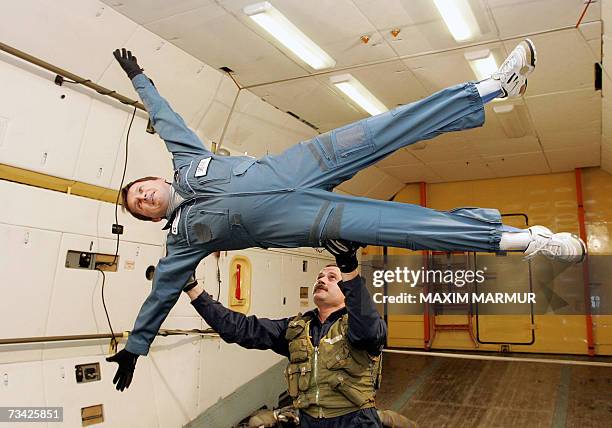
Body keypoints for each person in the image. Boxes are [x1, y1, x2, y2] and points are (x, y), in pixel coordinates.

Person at [106, 41, 587, 390]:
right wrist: (136, 347)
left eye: (142, 189)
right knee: (407, 228)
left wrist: (139, 79)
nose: (145, 197)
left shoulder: (188, 163)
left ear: (155, 178)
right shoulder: (183, 241)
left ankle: (491, 88)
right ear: (150, 218)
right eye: (140, 205)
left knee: (385, 128)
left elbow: (167, 119)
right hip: (311, 219)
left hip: (304, 161)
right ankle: (525, 241)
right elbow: (160, 295)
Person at [190, 240, 386, 427]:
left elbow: (368, 333)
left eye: (332, 277)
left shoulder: (359, 325)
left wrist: (349, 268)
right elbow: (239, 329)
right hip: (309, 422)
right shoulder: (297, 329)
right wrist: (193, 289)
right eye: (319, 277)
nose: (321, 280)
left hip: (355, 421)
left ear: (348, 291)